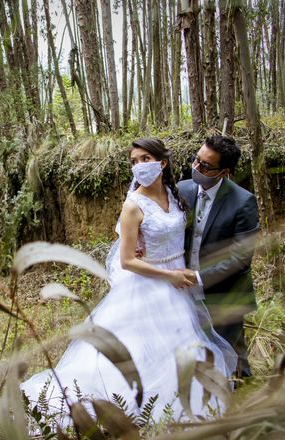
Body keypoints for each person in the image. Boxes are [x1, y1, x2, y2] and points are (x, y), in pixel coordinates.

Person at [21, 138, 237, 422]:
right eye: (134, 162)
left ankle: (175, 402)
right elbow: (127, 261)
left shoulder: (176, 195)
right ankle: (128, 403)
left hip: (178, 287)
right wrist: (170, 275)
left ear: (162, 162)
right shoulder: (133, 206)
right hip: (149, 284)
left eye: (145, 159)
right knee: (139, 347)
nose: (139, 166)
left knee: (177, 347)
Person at [177, 135, 259, 379]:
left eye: (205, 166)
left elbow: (241, 257)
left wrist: (199, 278)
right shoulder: (182, 190)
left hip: (225, 293)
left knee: (233, 358)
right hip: (181, 290)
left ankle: (244, 403)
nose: (196, 168)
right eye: (196, 160)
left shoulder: (243, 202)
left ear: (224, 172)